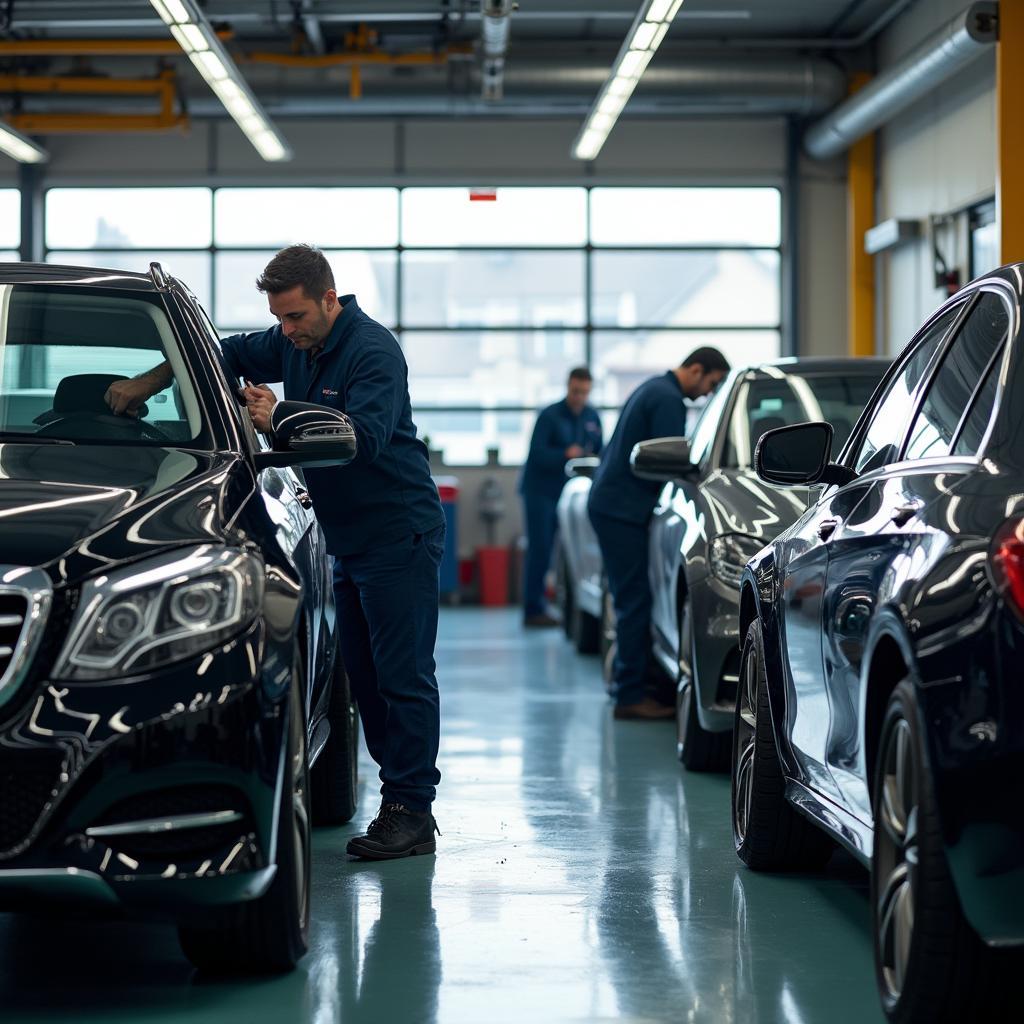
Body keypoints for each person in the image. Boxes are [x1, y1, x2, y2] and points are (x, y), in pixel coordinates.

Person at [105, 244, 445, 860]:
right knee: (365, 680)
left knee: (403, 677)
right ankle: (401, 796)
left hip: (398, 534)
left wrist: (279, 412)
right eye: (279, 319)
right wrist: (149, 382)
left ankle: (412, 810)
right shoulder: (296, 343)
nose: (285, 331)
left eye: (295, 317)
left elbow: (360, 440)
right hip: (349, 538)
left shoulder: (373, 352)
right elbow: (226, 351)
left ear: (329, 299)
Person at [587, 347, 730, 721]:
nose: (706, 394)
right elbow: (670, 463)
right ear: (696, 369)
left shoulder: (653, 389)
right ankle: (629, 696)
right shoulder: (668, 400)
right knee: (634, 601)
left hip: (612, 504)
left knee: (628, 597)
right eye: (710, 384)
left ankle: (632, 684)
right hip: (621, 511)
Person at [519, 367, 603, 627]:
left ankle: (567, 605)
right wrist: (566, 454)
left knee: (567, 550)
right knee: (540, 550)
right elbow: (537, 454)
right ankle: (533, 609)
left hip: (570, 495)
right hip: (541, 492)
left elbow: (601, 451)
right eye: (575, 391)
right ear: (568, 387)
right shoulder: (549, 416)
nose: (579, 397)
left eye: (584, 392)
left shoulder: (592, 417)